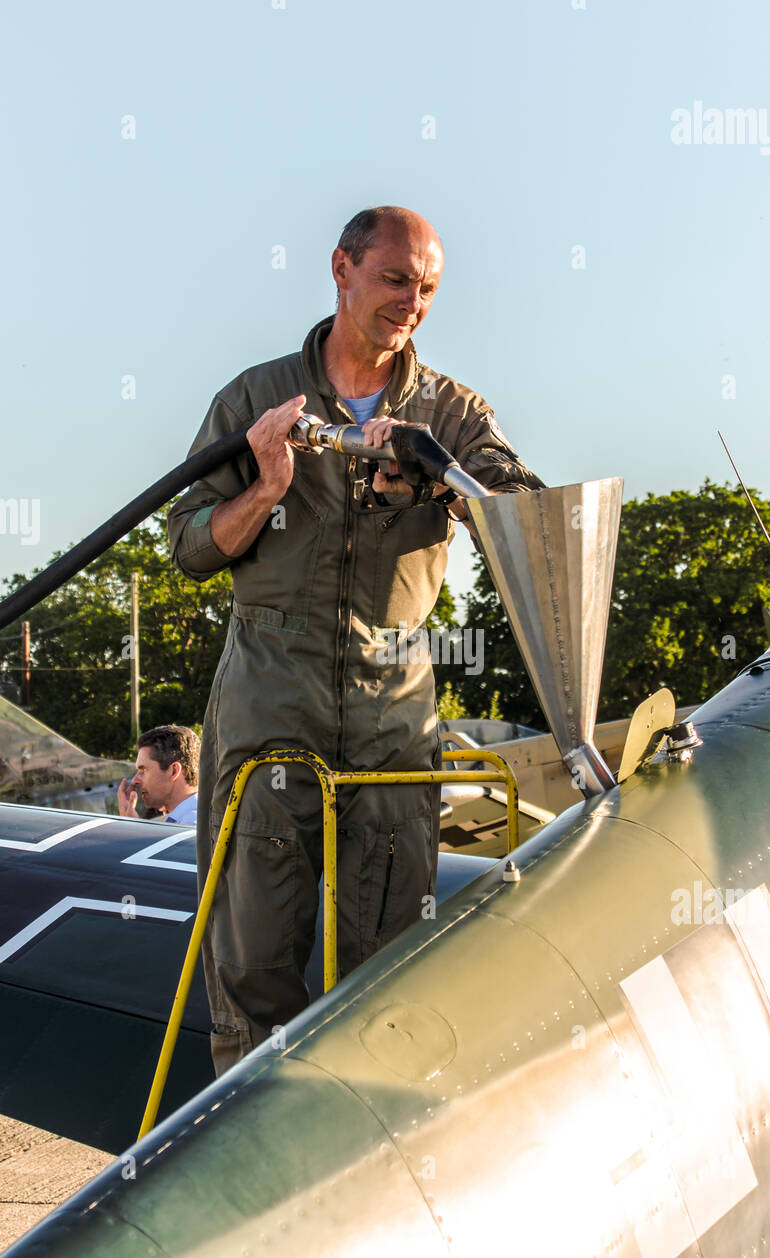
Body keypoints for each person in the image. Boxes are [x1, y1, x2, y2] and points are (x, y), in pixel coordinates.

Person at [168, 205, 544, 1076]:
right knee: (253, 959)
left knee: (391, 968)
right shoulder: (256, 399)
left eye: (428, 288)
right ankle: (251, 1170)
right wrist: (264, 488)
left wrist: (439, 479)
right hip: (270, 693)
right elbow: (188, 545)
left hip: (393, 700)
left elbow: (522, 520)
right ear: (341, 269)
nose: (412, 301)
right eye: (394, 279)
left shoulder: (451, 411)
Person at [118, 725, 200, 825]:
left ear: (173, 771)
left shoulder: (191, 823)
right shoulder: (183, 819)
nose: (135, 780)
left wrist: (132, 828)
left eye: (143, 770)